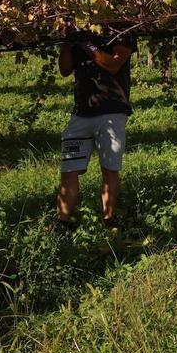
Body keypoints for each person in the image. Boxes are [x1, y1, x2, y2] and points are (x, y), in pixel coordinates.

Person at [56, 30, 136, 228]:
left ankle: (109, 220)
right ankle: (62, 223)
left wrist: (89, 46)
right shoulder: (79, 31)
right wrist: (68, 42)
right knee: (69, 169)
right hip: (81, 112)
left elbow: (114, 64)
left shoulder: (121, 29)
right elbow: (65, 70)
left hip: (112, 111)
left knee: (109, 169)